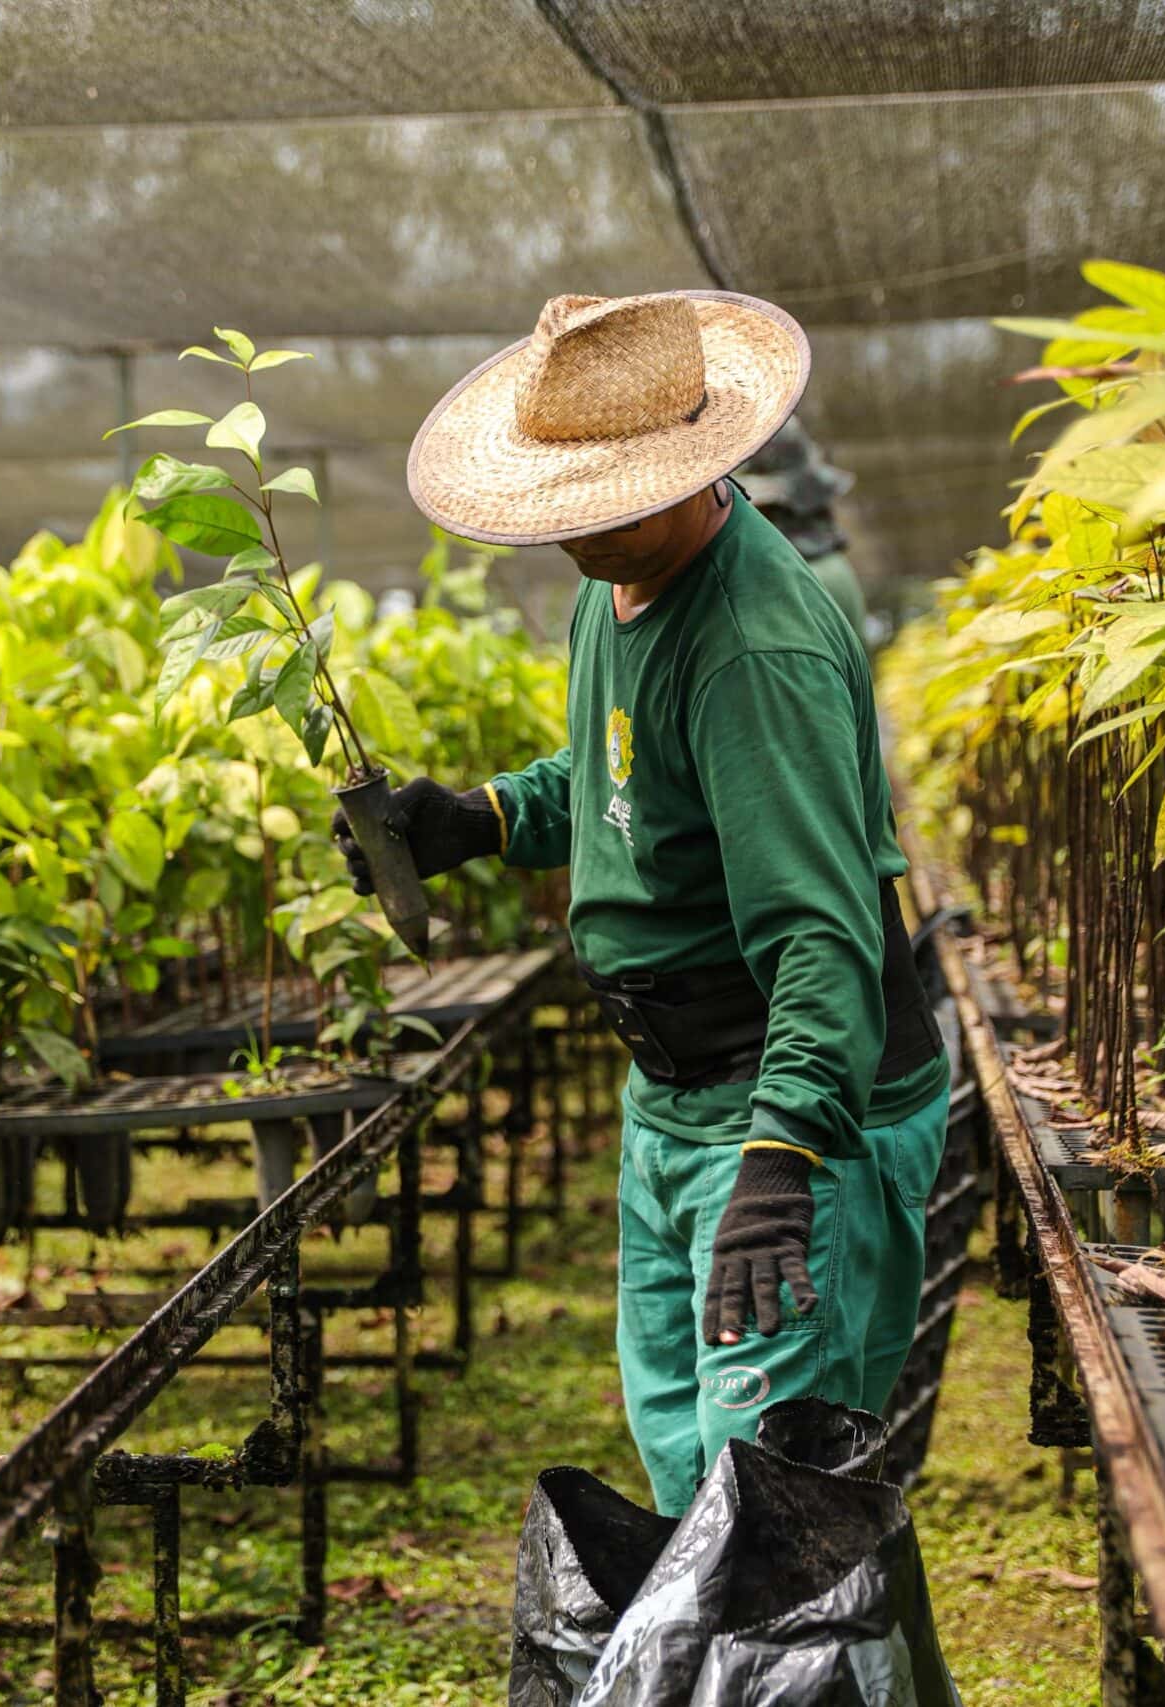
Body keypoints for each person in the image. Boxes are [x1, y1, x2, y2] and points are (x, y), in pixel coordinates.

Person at [333, 291, 949, 1518]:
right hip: (676, 1098)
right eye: (564, 509)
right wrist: (480, 818)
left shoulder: (749, 649)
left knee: (770, 1494)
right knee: (688, 1460)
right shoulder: (611, 586)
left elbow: (820, 930)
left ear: (696, 466)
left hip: (783, 1103)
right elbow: (618, 779)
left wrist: (784, 1162)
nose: (577, 534)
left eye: (604, 505)